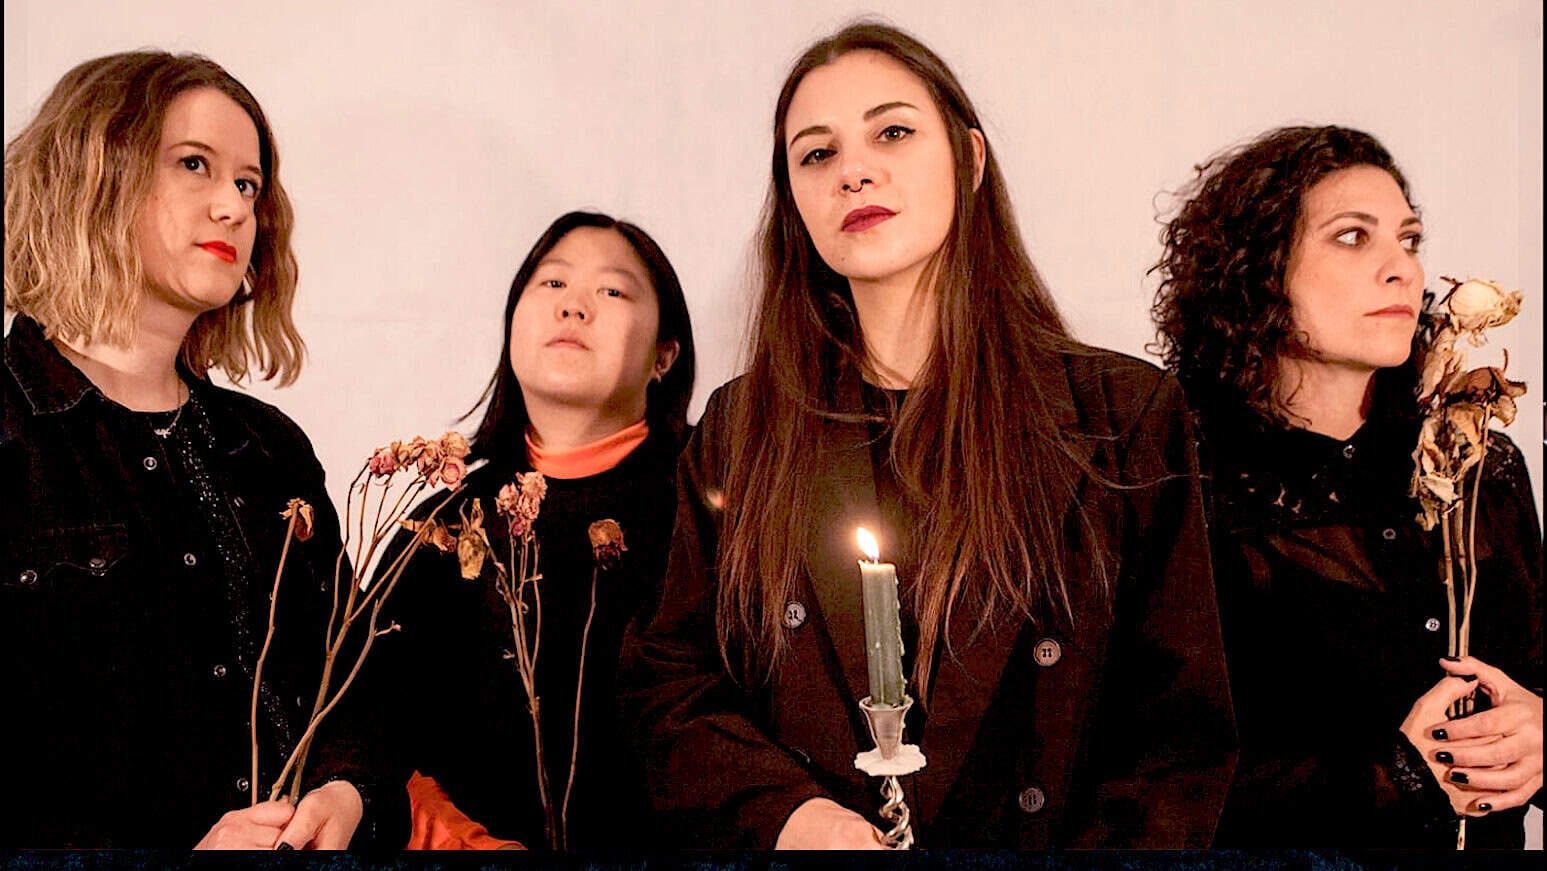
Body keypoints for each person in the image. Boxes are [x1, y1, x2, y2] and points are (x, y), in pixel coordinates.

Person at [617, 22, 1235, 849]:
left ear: (970, 161)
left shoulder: (1121, 412)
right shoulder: (742, 429)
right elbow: (669, 686)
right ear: (794, 201)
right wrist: (790, 815)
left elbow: (1180, 733)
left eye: (893, 132)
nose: (853, 171)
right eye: (815, 154)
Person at [1, 51, 385, 848]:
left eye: (248, 184)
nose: (234, 207)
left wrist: (348, 790)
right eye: (194, 165)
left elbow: (350, 684)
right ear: (91, 173)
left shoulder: (269, 448)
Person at [1151, 124, 1543, 848]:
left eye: (1409, 239)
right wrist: (1394, 772)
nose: (1401, 269)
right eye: (1351, 237)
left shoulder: (1480, 466)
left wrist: (1537, 732)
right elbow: (1152, 780)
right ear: (1257, 268)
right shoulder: (1182, 482)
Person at [370, 211, 695, 849]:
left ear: (665, 355)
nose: (574, 307)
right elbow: (366, 724)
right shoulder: (443, 525)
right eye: (551, 285)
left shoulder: (710, 511)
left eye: (612, 291)